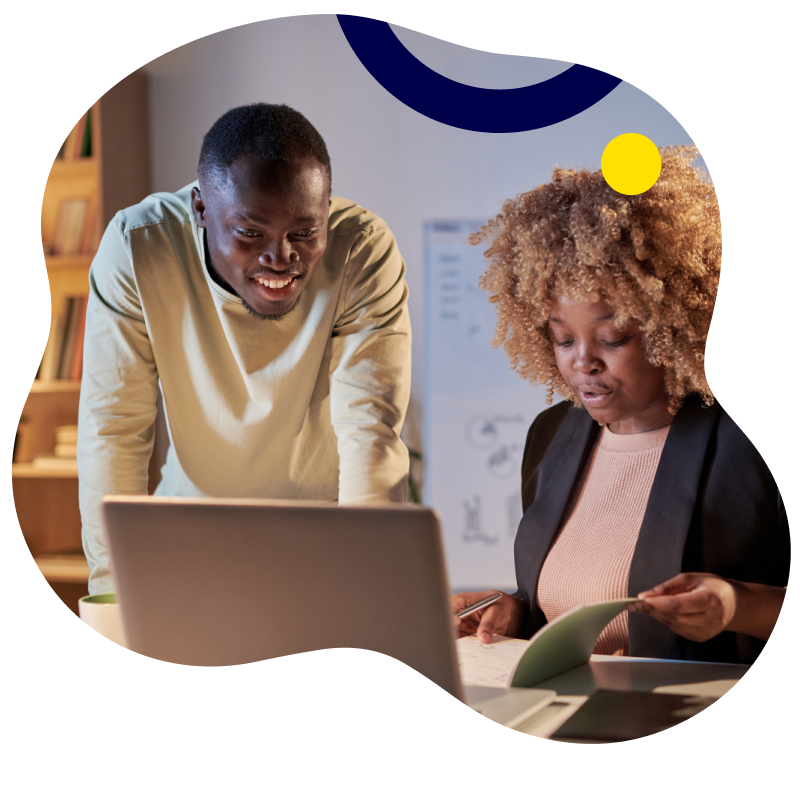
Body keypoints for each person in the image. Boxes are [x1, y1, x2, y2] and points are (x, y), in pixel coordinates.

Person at [452, 146, 788, 663]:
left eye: (612, 339)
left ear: (673, 326)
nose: (582, 363)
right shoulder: (551, 436)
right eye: (563, 340)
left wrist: (738, 604)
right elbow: (573, 608)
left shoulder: (743, 447)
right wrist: (518, 612)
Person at [78, 103, 411, 595]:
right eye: (250, 234)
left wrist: (367, 582)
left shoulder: (361, 250)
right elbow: (113, 428)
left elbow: (370, 429)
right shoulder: (137, 247)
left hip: (326, 538)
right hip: (191, 535)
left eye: (305, 232)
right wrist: (112, 591)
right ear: (201, 209)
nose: (281, 259)